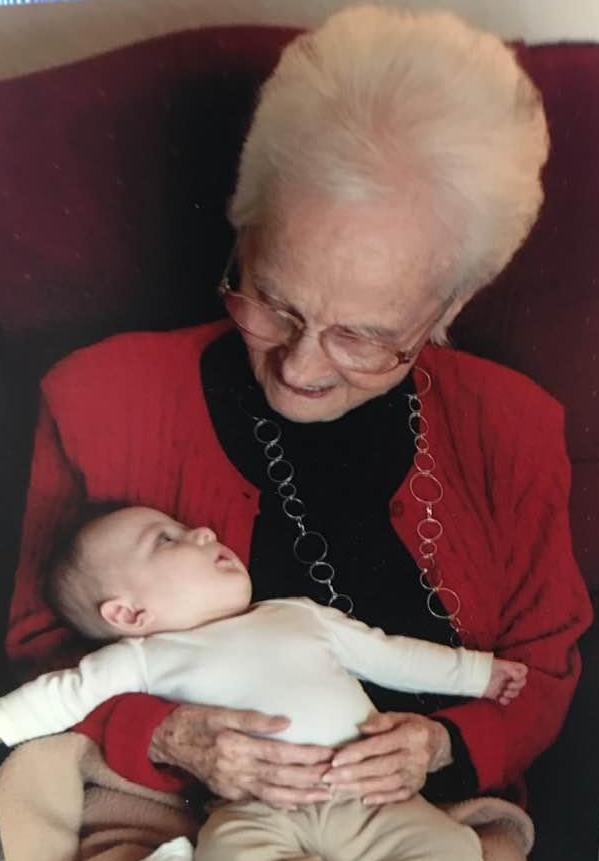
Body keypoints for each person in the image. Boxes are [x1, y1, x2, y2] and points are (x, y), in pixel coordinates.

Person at [1, 6, 592, 861]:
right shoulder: (100, 399)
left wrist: (443, 746)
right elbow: (38, 651)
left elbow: (541, 668)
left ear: (449, 306)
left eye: (362, 335)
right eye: (272, 299)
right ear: (243, 230)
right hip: (169, 823)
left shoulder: (512, 425)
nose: (299, 367)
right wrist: (168, 735)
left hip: (413, 824)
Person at [0, 505, 528, 860]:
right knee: (226, 851)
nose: (203, 532)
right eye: (166, 540)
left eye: (185, 527)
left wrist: (478, 673)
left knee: (451, 851)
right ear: (129, 613)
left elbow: (390, 655)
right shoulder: (142, 657)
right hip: (255, 810)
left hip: (372, 796)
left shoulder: (296, 614)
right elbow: (61, 695)